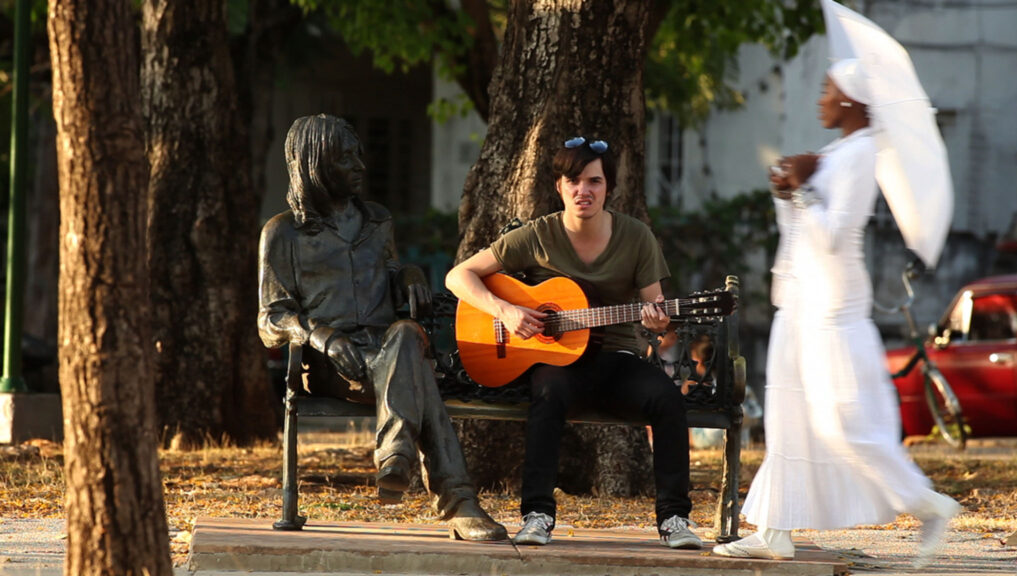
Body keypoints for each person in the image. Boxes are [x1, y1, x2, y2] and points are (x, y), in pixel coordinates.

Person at [711, 60, 960, 567]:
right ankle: (774, 531)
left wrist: (801, 188)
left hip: (831, 308)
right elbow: (799, 231)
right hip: (798, 303)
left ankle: (929, 504)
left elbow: (830, 237)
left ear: (850, 98)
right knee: (787, 418)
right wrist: (786, 190)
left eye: (827, 89)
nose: (820, 98)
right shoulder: (835, 151)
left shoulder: (862, 153)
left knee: (840, 422)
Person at [257, 114, 507, 541]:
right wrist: (322, 336)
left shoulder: (377, 220)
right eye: (346, 159)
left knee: (409, 336)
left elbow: (390, 272)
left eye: (359, 155)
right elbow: (271, 318)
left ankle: (395, 457)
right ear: (315, 165)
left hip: (389, 349)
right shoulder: (283, 234)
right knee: (417, 371)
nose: (360, 167)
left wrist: (408, 274)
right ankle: (458, 503)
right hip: (332, 365)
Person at [444, 136, 702, 549]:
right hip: (557, 362)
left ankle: (675, 519)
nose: (584, 190)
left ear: (608, 187)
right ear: (559, 187)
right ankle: (538, 516)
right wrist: (506, 311)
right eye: (574, 180)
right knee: (548, 394)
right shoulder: (538, 235)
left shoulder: (636, 237)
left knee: (667, 400)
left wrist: (658, 320)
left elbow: (656, 309)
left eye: (594, 181)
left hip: (617, 358)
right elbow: (458, 276)